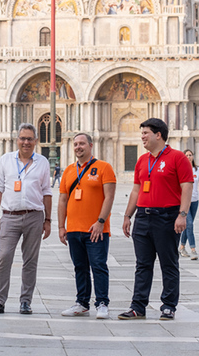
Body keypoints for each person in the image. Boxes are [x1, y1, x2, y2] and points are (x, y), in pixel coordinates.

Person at [120, 118, 192, 321]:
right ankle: (138, 306)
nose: (142, 136)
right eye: (141, 133)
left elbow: (187, 186)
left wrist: (182, 214)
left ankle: (168, 305)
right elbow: (136, 189)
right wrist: (128, 216)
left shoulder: (177, 157)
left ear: (158, 134)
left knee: (168, 263)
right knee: (142, 264)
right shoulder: (143, 160)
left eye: (145, 133)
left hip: (167, 216)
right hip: (143, 216)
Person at [0, 123, 52, 316]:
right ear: (17, 140)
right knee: (3, 257)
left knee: (30, 261)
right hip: (10, 216)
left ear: (35, 141)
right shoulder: (6, 160)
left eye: (29, 139)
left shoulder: (43, 162)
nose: (26, 142)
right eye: (23, 138)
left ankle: (25, 301)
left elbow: (47, 192)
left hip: (34, 216)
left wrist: (48, 220)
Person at [58, 133, 116, 319]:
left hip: (96, 229)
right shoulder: (68, 170)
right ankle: (82, 303)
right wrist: (61, 226)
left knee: (99, 266)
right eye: (75, 144)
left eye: (82, 143)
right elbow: (63, 199)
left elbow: (109, 197)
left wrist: (100, 222)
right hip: (74, 229)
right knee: (79, 267)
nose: (78, 147)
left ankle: (102, 303)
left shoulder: (104, 168)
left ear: (91, 145)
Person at [179, 149, 199, 261]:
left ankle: (182, 247)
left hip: (195, 201)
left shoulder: (198, 170)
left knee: (188, 225)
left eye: (190, 155)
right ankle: (193, 249)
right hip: (184, 202)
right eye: (187, 155)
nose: (189, 157)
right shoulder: (180, 169)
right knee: (189, 224)